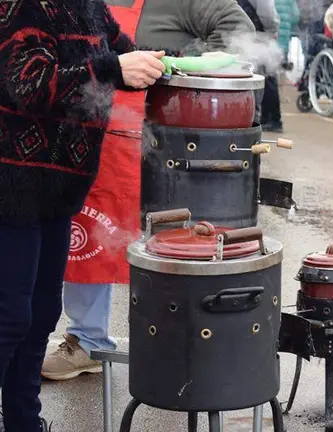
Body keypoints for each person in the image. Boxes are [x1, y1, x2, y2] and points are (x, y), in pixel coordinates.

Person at [41, 0, 257, 382]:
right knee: (90, 240)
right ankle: (88, 340)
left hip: (157, 139)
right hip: (92, 135)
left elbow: (234, 26)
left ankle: (177, 345)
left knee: (169, 246)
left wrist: (186, 67)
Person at [0, 0, 165, 429]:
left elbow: (121, 50)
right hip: (9, 186)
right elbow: (29, 83)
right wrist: (114, 68)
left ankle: (24, 420)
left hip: (56, 192)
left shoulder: (88, 5)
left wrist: (163, 65)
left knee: (40, 313)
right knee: (10, 315)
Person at [238, 0, 283, 132]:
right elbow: (267, 12)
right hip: (252, 32)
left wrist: (270, 30)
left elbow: (267, 12)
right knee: (264, 77)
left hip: (255, 33)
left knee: (266, 77)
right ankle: (268, 118)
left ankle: (271, 118)